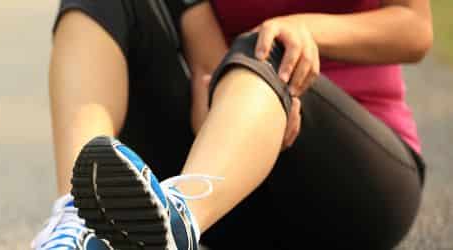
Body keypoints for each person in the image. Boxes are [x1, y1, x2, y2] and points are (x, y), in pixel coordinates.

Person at [30, 0, 432, 249]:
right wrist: (234, 93)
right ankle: (79, 220)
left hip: (354, 185)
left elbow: (415, 28)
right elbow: (207, 53)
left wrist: (303, 30)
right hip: (230, 187)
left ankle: (176, 227)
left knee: (269, 43)